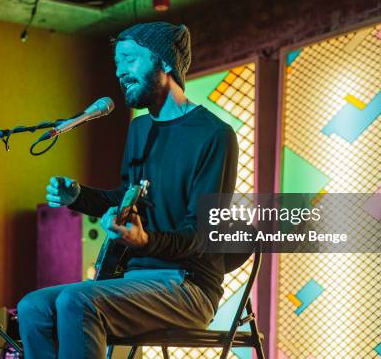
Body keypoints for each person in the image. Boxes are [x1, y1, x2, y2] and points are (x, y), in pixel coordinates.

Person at [17, 22, 239, 358]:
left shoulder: (214, 135)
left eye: (130, 60)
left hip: (188, 286)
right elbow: (127, 196)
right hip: (135, 279)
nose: (120, 72)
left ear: (165, 62)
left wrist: (145, 241)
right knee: (33, 307)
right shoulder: (139, 128)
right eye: (117, 63)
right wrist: (78, 196)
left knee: (76, 302)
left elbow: (201, 235)